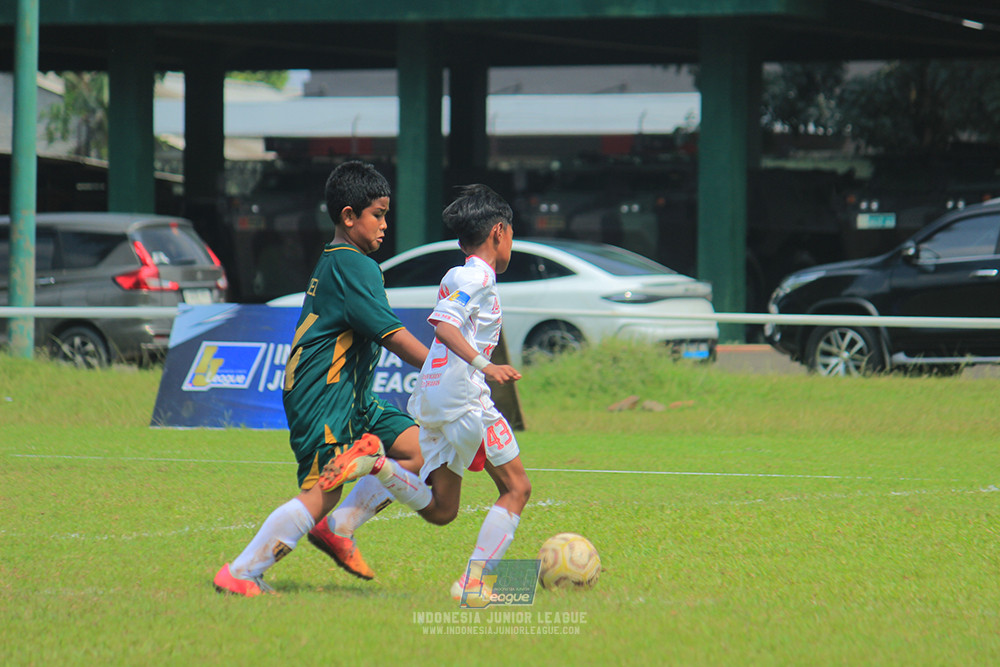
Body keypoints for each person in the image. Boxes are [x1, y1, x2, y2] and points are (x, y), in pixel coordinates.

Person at [213, 160, 428, 596]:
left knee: (419, 451)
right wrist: (446, 368)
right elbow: (392, 335)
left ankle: (339, 527)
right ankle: (241, 572)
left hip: (355, 397)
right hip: (323, 395)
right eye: (378, 215)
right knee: (323, 490)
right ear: (348, 216)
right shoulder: (354, 265)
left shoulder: (342, 260)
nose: (385, 225)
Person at [317, 184, 532, 598]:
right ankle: (474, 584)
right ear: (499, 232)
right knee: (517, 488)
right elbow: (445, 326)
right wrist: (487, 366)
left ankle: (378, 465)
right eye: (511, 235)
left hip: (435, 395)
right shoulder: (476, 277)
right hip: (464, 399)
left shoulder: (457, 273)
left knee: (442, 510)